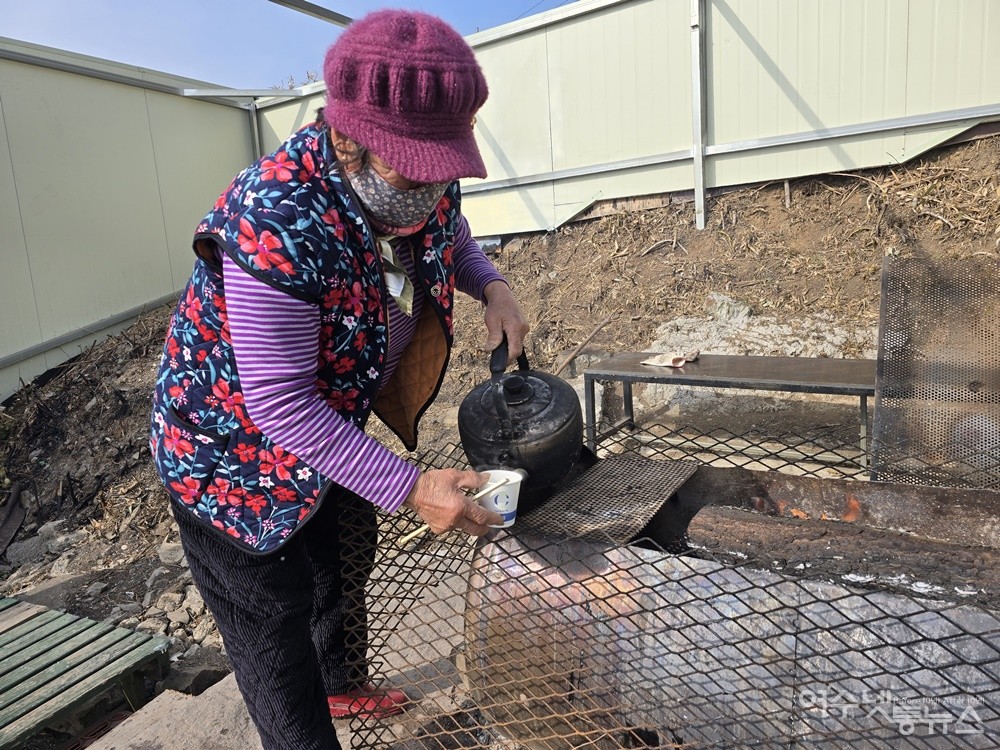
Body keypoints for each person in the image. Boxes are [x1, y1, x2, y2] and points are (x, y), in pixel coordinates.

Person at [148, 10, 529, 750]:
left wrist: (495, 287)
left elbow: (450, 236)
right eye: (409, 170)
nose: (429, 187)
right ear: (349, 141)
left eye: (442, 167)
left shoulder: (426, 183)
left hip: (329, 422)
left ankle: (343, 685)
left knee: (340, 556)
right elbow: (280, 404)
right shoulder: (277, 214)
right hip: (229, 460)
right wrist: (414, 488)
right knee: (273, 626)